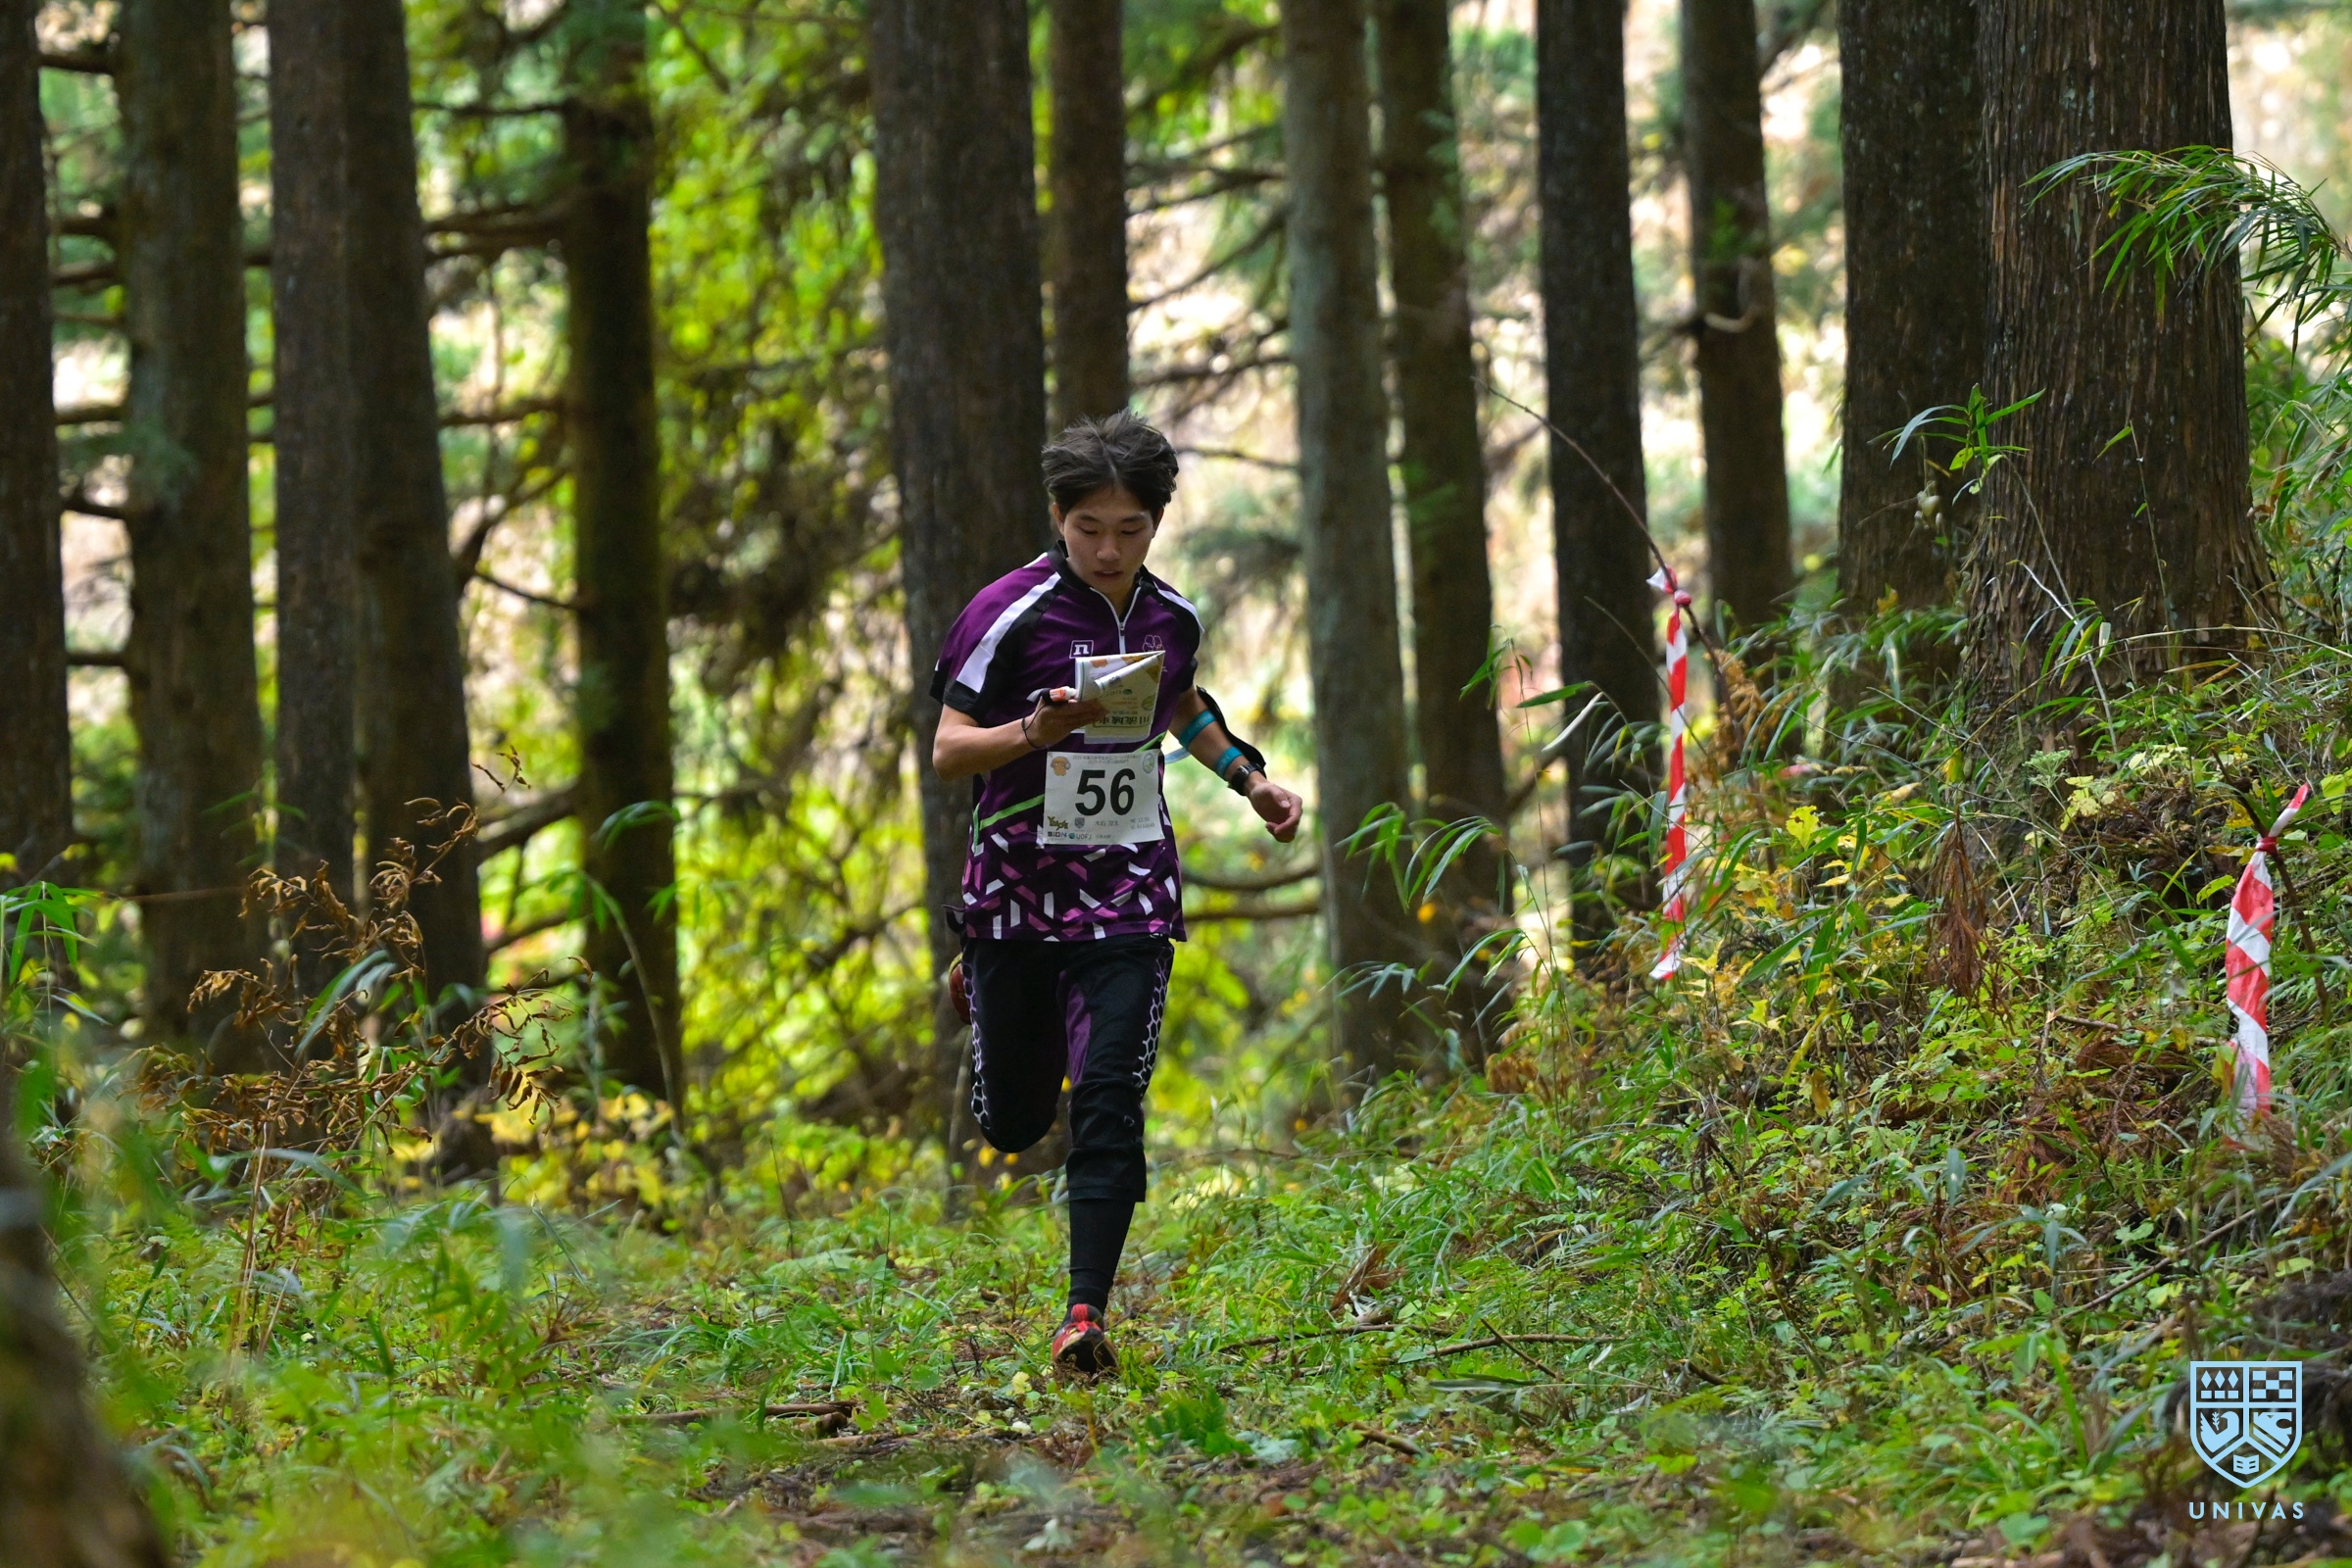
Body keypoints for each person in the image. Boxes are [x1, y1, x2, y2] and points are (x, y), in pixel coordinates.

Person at [930, 411, 1303, 1376]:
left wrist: (1251, 781)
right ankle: (980, 985)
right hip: (1017, 889)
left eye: (1129, 529)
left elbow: (1180, 704)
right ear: (1058, 518)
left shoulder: (1172, 617)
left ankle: (1083, 1314)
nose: (1107, 548)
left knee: (1110, 1095)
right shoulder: (1007, 612)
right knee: (1016, 1121)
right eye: (1088, 527)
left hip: (1129, 884)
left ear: (1156, 523)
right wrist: (1033, 733)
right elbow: (948, 750)